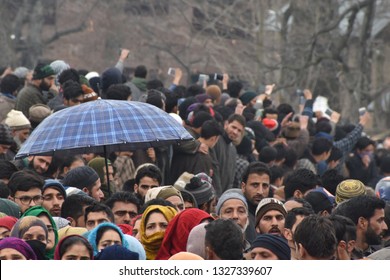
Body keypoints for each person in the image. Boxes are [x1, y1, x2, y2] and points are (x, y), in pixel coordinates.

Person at [211, 114, 246, 196]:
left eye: (239, 130)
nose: (235, 132)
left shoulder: (233, 149)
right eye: (233, 127)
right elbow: (214, 169)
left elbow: (231, 178)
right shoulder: (215, 141)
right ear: (226, 124)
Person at [240, 161, 272, 243]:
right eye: (255, 185)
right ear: (243, 187)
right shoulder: (238, 217)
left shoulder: (273, 215)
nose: (260, 191)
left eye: (265, 186)